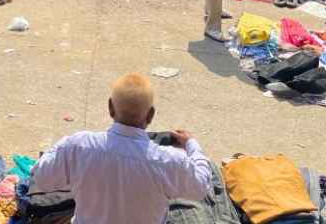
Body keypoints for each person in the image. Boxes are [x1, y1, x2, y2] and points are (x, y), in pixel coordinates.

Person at [32, 73, 211, 224]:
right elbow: (201, 186)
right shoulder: (169, 161)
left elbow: (41, 177)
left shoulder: (78, 146)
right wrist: (191, 144)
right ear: (150, 115)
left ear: (110, 108)